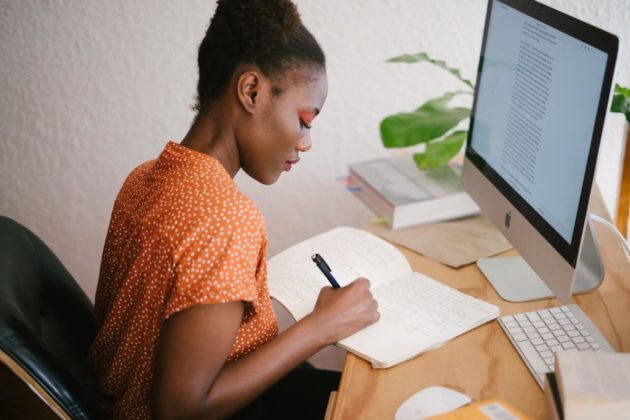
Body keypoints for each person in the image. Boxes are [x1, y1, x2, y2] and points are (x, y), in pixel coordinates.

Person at [87, 0, 380, 418]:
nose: (306, 142)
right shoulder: (225, 218)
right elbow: (181, 409)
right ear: (252, 91)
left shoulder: (146, 176)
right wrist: (321, 327)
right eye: (305, 120)